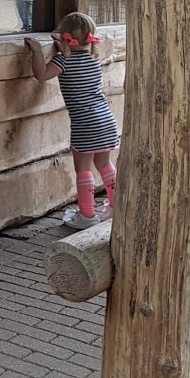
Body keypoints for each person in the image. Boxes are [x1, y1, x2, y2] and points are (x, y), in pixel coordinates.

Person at [25, 12, 118, 230]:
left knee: (83, 169)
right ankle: (116, 205)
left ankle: (87, 215)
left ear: (64, 38)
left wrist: (38, 51)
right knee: (105, 164)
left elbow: (41, 74)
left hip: (84, 123)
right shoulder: (94, 59)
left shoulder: (62, 61)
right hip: (106, 119)